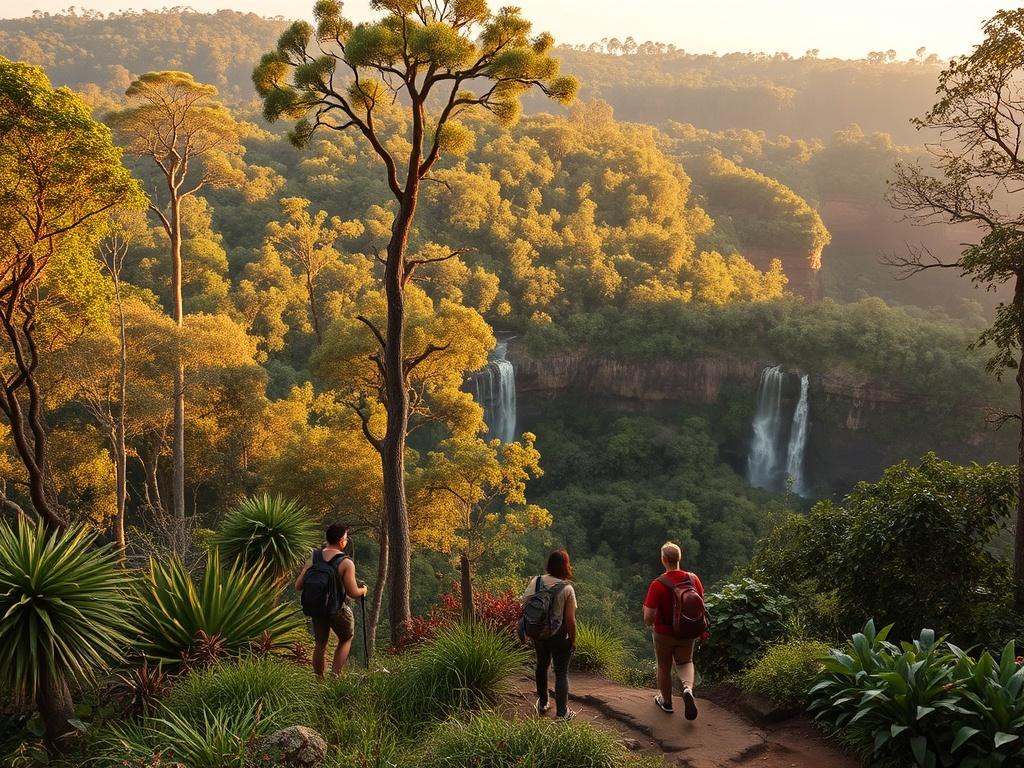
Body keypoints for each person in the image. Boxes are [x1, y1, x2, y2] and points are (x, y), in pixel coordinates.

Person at [295, 523, 367, 678]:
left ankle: (318, 680)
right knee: (346, 638)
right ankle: (335, 676)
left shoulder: (313, 557)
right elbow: (353, 592)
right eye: (346, 538)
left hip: (317, 608)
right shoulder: (346, 562)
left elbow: (298, 585)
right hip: (335, 610)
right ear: (341, 540)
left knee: (320, 644)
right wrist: (364, 590)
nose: (346, 541)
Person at [643, 541, 704, 720]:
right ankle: (687, 688)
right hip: (687, 630)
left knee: (664, 666)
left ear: (663, 560)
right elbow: (699, 603)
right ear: (679, 558)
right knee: (685, 662)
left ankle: (667, 702)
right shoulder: (693, 579)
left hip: (664, 633)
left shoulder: (658, 584)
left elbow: (649, 618)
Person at [522, 549, 578, 721]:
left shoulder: (536, 581)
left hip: (538, 633)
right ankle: (562, 713)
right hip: (559, 635)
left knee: (541, 665)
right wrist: (573, 640)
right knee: (561, 673)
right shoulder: (567, 588)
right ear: (566, 566)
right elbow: (570, 620)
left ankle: (543, 702)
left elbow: (525, 605)